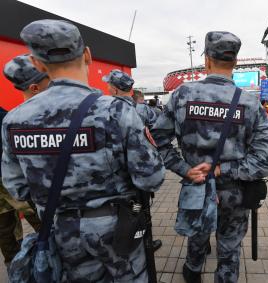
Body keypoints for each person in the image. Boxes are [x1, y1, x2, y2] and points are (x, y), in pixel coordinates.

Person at [2, 19, 165, 282]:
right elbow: (152, 178)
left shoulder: (14, 120)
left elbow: (17, 188)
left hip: (61, 231)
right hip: (118, 230)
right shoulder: (115, 110)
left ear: (37, 63)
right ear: (87, 55)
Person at [151, 31, 268, 283]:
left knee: (197, 234)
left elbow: (157, 141)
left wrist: (185, 169)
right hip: (236, 192)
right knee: (230, 247)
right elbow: (267, 161)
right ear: (235, 62)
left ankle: (192, 270)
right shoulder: (250, 103)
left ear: (207, 59)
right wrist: (223, 170)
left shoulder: (182, 95)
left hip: (195, 186)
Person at [102, 70, 163, 252]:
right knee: (143, 208)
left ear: (114, 89)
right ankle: (146, 240)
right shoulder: (144, 109)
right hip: (143, 173)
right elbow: (160, 131)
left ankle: (133, 239)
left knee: (130, 212)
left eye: (108, 85)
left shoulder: (110, 109)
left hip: (121, 178)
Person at [1, 55, 47, 270]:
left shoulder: (8, 118)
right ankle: (36, 260)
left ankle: (16, 266)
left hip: (8, 180)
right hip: (9, 182)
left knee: (6, 231)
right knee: (39, 220)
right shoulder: (9, 118)